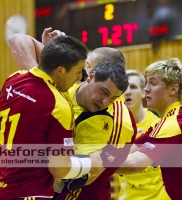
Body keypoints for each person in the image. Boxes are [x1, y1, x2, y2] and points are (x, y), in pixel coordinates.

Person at [8, 28, 137, 200]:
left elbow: (89, 175)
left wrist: (41, 87)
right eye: (83, 66)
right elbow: (17, 39)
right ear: (92, 75)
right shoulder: (62, 88)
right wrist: (43, 80)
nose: (82, 69)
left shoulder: (119, 122)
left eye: (87, 65)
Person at [0, 34, 98, 199]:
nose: (80, 77)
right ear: (60, 70)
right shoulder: (59, 105)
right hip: (30, 193)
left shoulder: (13, 80)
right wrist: (88, 163)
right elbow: (59, 168)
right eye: (78, 70)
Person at [117, 58, 182, 200]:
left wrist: (88, 163)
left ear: (173, 89)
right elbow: (126, 151)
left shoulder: (173, 124)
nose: (146, 89)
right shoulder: (164, 122)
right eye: (147, 83)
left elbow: (134, 165)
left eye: (153, 83)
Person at [116, 69, 170, 200]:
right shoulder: (114, 128)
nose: (128, 92)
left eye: (133, 87)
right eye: (124, 88)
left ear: (143, 93)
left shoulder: (160, 123)